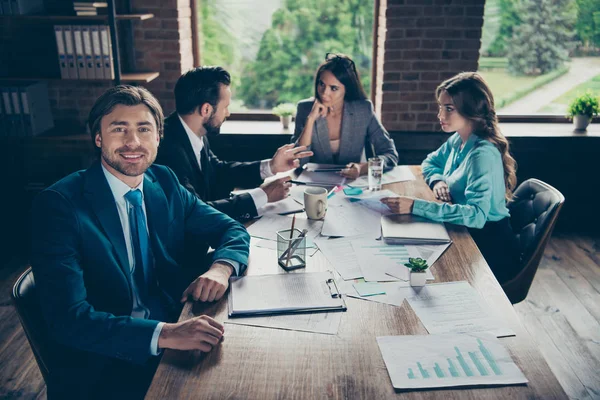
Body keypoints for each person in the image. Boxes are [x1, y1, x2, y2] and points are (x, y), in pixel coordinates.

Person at [30, 85, 250, 399]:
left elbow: (230, 229)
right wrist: (166, 334)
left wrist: (221, 268)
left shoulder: (164, 181)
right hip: (107, 365)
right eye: (119, 129)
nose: (133, 142)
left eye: (143, 129)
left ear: (158, 137)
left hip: (174, 336)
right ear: (98, 138)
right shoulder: (59, 206)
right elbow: (69, 320)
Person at [381, 72, 520, 284]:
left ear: (470, 110)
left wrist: (414, 206)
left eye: (449, 109)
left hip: (487, 249)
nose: (440, 115)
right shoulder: (460, 139)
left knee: (416, 275)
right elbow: (429, 162)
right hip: (463, 232)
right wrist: (437, 180)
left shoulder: (481, 154)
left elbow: (477, 216)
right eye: (440, 107)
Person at [156, 66, 312, 221]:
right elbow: (196, 211)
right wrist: (262, 195)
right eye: (226, 107)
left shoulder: (191, 130)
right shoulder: (167, 149)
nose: (228, 113)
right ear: (206, 110)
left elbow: (218, 171)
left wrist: (271, 167)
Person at [291, 53, 398, 179]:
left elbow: (390, 155)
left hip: (351, 186)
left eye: (334, 88)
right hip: (315, 186)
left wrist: (362, 168)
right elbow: (298, 162)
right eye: (322, 84)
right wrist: (310, 120)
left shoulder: (363, 110)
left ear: (346, 89)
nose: (325, 93)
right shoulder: (304, 109)